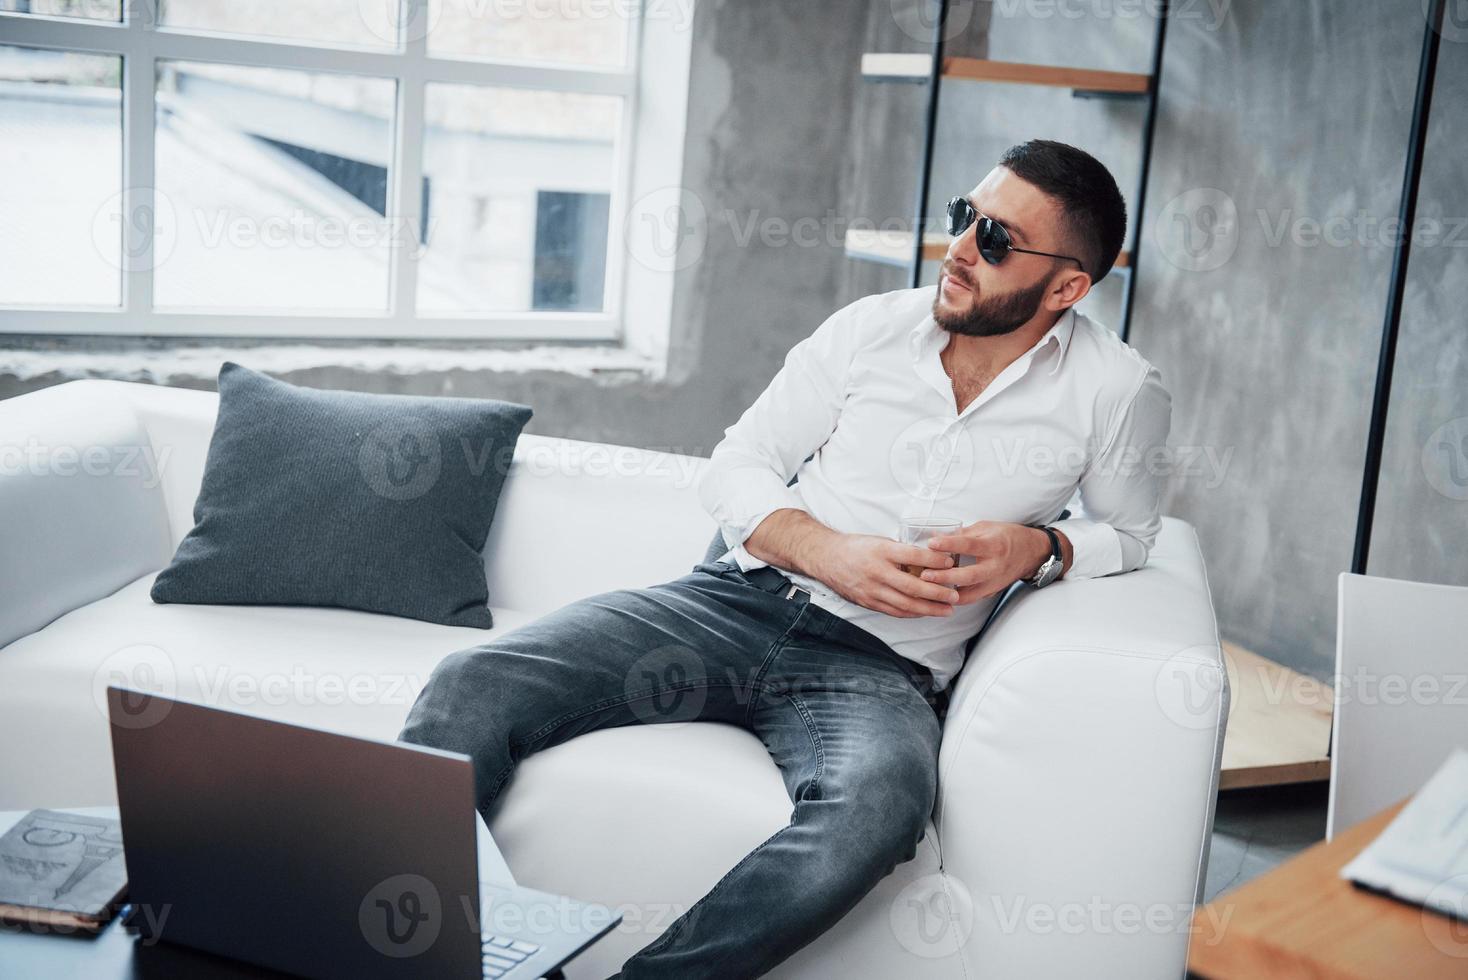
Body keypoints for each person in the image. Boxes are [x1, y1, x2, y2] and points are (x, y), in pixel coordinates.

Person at [399, 139, 1172, 979]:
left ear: (1067, 287)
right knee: (469, 685)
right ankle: (437, 955)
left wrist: (1041, 547)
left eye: (996, 240)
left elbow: (1133, 536)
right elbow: (737, 463)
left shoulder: (1118, 391)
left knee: (879, 809)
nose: (958, 248)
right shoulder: (870, 329)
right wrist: (828, 551)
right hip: (732, 602)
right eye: (964, 217)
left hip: (882, 670)